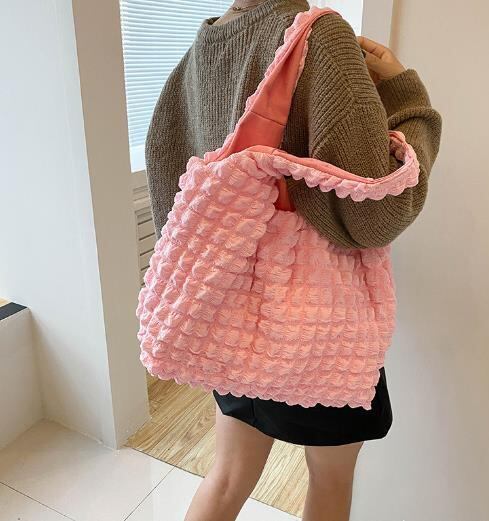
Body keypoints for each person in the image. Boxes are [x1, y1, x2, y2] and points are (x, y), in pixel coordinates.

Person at [144, 1, 442, 519]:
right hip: (318, 329)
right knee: (329, 482)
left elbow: (173, 196)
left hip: (230, 320)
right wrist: (406, 98)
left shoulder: (204, 47)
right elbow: (377, 214)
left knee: (227, 478)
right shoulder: (321, 38)